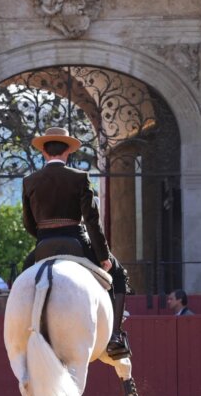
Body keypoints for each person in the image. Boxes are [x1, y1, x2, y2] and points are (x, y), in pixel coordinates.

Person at [20, 126, 130, 359]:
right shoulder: (80, 177)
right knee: (119, 274)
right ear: (68, 151)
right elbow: (92, 221)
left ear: (44, 152)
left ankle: (22, 330)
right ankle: (114, 337)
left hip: (44, 244)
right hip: (75, 241)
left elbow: (28, 223)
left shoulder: (29, 181)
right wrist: (103, 256)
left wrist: (44, 237)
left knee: (22, 278)